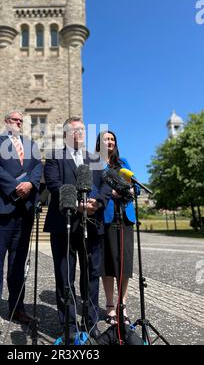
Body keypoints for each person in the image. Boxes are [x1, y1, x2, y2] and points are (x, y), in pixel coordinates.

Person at [44, 116, 111, 341]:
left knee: (91, 277)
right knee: (65, 278)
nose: (80, 133)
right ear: (65, 134)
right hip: (64, 224)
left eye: (82, 130)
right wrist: (75, 203)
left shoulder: (96, 158)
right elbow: (54, 184)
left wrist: (97, 203)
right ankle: (69, 327)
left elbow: (105, 186)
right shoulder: (55, 157)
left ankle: (91, 324)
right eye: (75, 130)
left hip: (92, 225)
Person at [0, 110, 42, 334]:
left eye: (21, 121)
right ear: (6, 122)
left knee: (19, 263)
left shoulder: (31, 144)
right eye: (14, 120)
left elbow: (37, 168)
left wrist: (31, 185)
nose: (18, 123)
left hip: (24, 212)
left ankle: (17, 307)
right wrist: (16, 187)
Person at [95, 130, 138, 325]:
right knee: (108, 264)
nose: (110, 142)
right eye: (106, 139)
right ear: (100, 143)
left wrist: (128, 189)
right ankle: (110, 306)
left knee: (125, 265)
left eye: (112, 139)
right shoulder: (94, 163)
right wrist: (110, 192)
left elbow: (136, 187)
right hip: (106, 217)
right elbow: (94, 188)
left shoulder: (124, 163)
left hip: (125, 218)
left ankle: (123, 306)